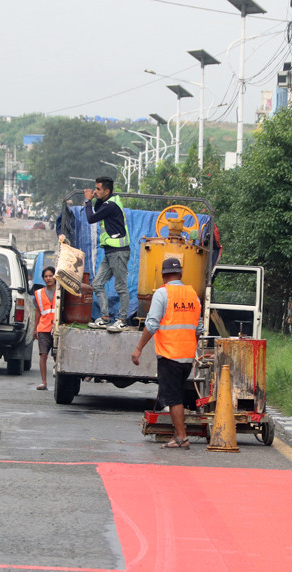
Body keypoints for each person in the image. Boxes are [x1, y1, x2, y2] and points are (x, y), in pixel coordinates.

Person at [131, 257, 202, 449]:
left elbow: (152, 323)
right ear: (180, 274)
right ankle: (179, 435)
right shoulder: (192, 295)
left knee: (173, 398)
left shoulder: (162, 293)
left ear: (163, 275)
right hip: (187, 356)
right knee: (175, 394)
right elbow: (199, 327)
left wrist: (138, 348)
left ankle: (181, 437)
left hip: (170, 354)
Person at [84, 176, 130, 332]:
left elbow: (91, 217)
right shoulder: (108, 202)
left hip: (118, 252)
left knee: (121, 287)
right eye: (95, 189)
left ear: (107, 191)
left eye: (98, 189)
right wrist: (94, 200)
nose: (95, 191)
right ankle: (105, 318)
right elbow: (97, 210)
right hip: (110, 251)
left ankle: (122, 320)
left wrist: (87, 201)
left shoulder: (111, 205)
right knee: (97, 283)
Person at [33, 266, 56, 390]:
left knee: (57, 355)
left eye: (50, 275)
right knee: (43, 355)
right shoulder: (38, 293)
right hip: (44, 328)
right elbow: (37, 312)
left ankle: (59, 381)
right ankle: (44, 382)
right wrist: (35, 328)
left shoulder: (61, 291)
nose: (48, 278)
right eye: (46, 276)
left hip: (57, 328)